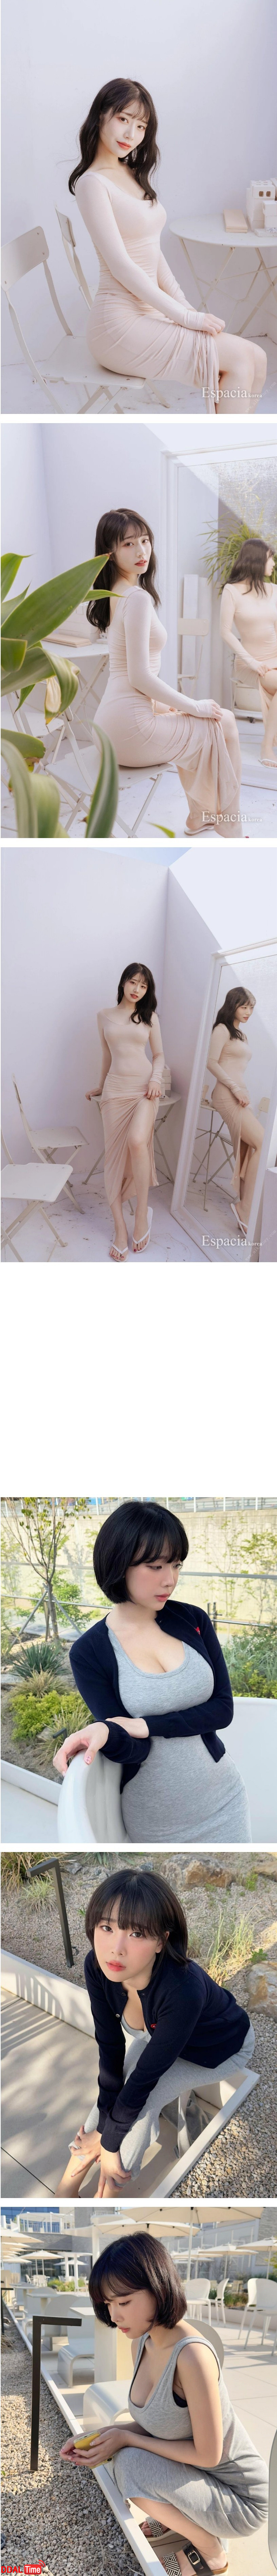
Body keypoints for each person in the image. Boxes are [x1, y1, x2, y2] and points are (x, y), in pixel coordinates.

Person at [60, 2230, 269, 2574]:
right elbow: (157, 2423)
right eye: (108, 2304)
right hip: (199, 2478)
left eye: (124, 2302)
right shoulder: (141, 2343)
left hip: (240, 2499)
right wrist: (101, 2436)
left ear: (158, 2288)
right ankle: (180, 2517)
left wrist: (126, 2439)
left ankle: (211, 2551)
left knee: (130, 2464)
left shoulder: (192, 2356)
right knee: (119, 2454)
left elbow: (209, 2455)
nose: (114, 2316)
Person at [53, 1500, 251, 1841]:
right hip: (159, 1822)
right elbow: (133, 1748)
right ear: (119, 1563)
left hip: (225, 1799)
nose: (170, 1579)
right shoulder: (90, 1652)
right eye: (156, 1566)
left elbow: (222, 1710)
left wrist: (147, 1725)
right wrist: (105, 1730)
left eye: (176, 1565)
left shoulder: (193, 1619)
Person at [69, 78, 266, 416]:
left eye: (141, 126)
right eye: (123, 119)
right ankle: (225, 444)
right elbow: (122, 267)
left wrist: (187, 308)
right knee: (239, 361)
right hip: (117, 327)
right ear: (101, 115)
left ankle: (234, 441)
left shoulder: (130, 172)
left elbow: (152, 253)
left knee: (258, 357)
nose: (131, 134)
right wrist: (185, 317)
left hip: (150, 314)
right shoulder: (93, 184)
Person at [57, 1864, 255, 2200]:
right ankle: (66, 2191)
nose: (116, 1948)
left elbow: (144, 2081)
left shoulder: (183, 1991)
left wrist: (110, 2143)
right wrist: (102, 2129)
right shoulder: (98, 1966)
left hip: (219, 2049)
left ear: (162, 1941)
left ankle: (103, 2202)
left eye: (137, 1934)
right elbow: (110, 2048)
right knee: (117, 2095)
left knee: (140, 2105)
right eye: (107, 1927)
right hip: (163, 2037)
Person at [87, 507, 241, 838]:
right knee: (224, 721)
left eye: (145, 540)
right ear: (110, 552)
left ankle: (199, 816)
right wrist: (194, 705)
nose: (141, 551)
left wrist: (168, 706)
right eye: (128, 544)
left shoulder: (113, 592)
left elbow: (128, 677)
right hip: (131, 732)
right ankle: (230, 823)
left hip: (107, 729)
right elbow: (139, 677)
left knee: (188, 723)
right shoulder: (137, 598)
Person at [86, 960, 169, 1259]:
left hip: (145, 1088)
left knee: (137, 1142)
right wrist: (100, 1085)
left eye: (144, 986)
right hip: (115, 1091)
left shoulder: (149, 1017)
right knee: (114, 1160)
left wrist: (157, 1079)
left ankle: (142, 1215)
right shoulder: (103, 1016)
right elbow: (107, 1055)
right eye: (133, 982)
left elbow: (159, 1055)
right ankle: (120, 1228)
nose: (137, 989)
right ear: (123, 982)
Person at [206, 986, 264, 1238]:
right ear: (233, 1005)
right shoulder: (222, 1029)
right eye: (244, 1007)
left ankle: (246, 1208)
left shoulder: (241, 1034)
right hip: (227, 1094)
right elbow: (211, 1063)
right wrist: (235, 1089)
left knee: (249, 1149)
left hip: (240, 1095)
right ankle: (245, 1208)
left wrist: (244, 1092)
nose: (248, 1012)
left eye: (251, 1008)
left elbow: (236, 1067)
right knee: (263, 1143)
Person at [220, 540, 277, 765]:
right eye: (271, 558)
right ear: (257, 560)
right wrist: (253, 663)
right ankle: (266, 746)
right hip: (250, 663)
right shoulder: (232, 591)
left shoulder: (274, 590)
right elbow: (225, 632)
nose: (273, 564)